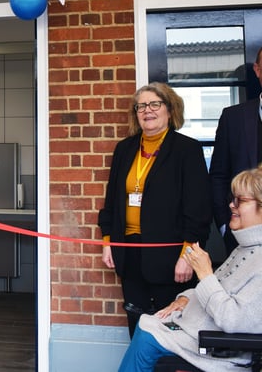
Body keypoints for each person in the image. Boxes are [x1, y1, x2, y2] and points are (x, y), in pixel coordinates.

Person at [118, 166, 262, 371]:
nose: (231, 205)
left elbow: (231, 318)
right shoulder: (245, 247)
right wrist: (185, 298)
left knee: (147, 335)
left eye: (241, 201)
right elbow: (216, 290)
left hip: (218, 347)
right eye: (233, 198)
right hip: (199, 329)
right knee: (147, 326)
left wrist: (204, 273)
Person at [98, 82, 212, 338]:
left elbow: (198, 209)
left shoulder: (187, 149)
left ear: (170, 110)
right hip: (129, 253)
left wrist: (187, 255)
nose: (147, 111)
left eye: (154, 104)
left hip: (171, 258)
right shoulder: (124, 149)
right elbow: (112, 202)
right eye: (141, 106)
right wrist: (108, 242)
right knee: (136, 324)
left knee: (170, 330)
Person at [210, 46, 262, 256]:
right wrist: (224, 226)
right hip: (240, 238)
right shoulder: (233, 118)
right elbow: (218, 176)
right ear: (257, 70)